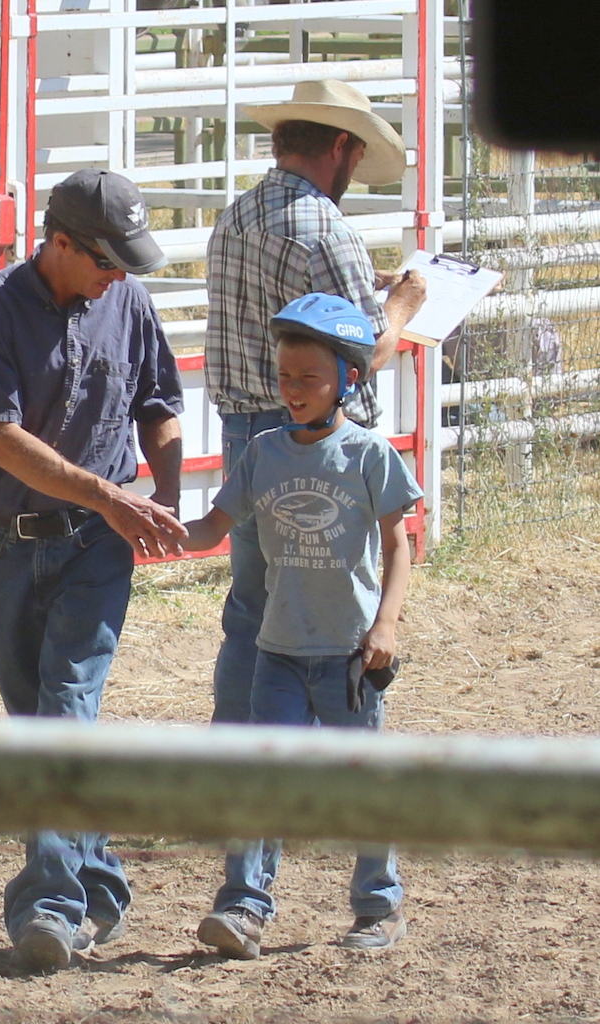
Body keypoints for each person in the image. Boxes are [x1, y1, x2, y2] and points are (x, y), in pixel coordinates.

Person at [0, 168, 187, 973]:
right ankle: (100, 884)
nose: (117, 276)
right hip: (7, 543)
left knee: (63, 710)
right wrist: (113, 497)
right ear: (58, 243)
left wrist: (163, 494)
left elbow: (158, 405)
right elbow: (1, 440)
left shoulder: (129, 302)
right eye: (107, 261)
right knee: (43, 723)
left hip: (94, 546)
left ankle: (48, 906)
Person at [182, 293, 423, 957]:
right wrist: (159, 528)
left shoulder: (369, 455)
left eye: (308, 378)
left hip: (349, 654)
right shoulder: (263, 453)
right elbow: (213, 526)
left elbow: (398, 545)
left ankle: (379, 906)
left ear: (348, 378)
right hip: (278, 652)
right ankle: (242, 906)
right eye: (285, 376)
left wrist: (385, 625)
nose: (292, 390)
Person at [205, 78, 427, 726]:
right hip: (316, 437)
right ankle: (335, 733)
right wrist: (403, 303)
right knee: (329, 595)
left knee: (253, 604)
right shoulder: (324, 229)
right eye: (355, 154)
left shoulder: (236, 215)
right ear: (339, 146)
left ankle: (236, 744)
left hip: (247, 427)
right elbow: (365, 350)